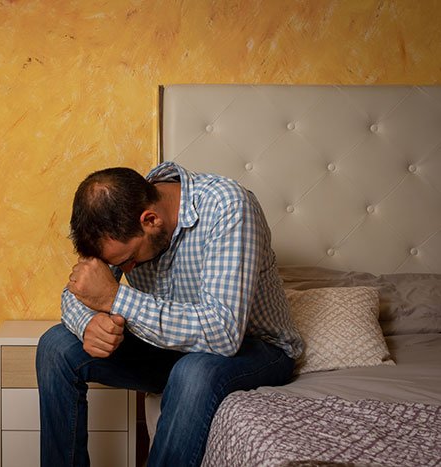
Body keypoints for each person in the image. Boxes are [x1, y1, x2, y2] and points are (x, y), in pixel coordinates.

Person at [36, 161, 303, 467]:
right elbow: (79, 290)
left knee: (194, 370)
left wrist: (114, 297)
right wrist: (89, 324)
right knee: (55, 346)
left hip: (255, 348)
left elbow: (223, 333)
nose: (126, 269)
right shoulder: (118, 217)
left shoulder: (228, 206)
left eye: (129, 260)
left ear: (150, 220)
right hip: (167, 349)